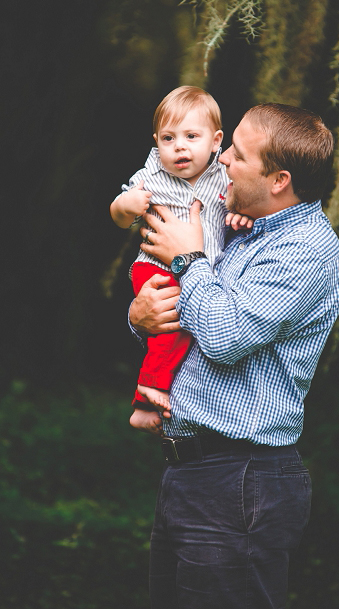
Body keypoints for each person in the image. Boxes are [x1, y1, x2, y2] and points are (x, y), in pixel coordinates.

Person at [128, 103, 339, 607]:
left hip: (240, 480)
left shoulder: (306, 250)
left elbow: (225, 337)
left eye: (238, 153)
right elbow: (188, 324)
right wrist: (141, 318)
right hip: (187, 473)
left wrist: (188, 258)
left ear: (278, 180)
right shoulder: (238, 230)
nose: (221, 158)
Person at [110, 86, 252, 433]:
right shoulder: (151, 177)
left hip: (200, 269)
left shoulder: (224, 178)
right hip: (155, 268)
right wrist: (126, 206)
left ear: (216, 140)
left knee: (188, 328)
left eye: (191, 136)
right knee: (174, 328)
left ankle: (156, 388)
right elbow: (118, 212)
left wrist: (241, 216)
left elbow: (236, 209)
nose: (180, 147)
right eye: (169, 139)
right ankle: (147, 392)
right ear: (157, 142)